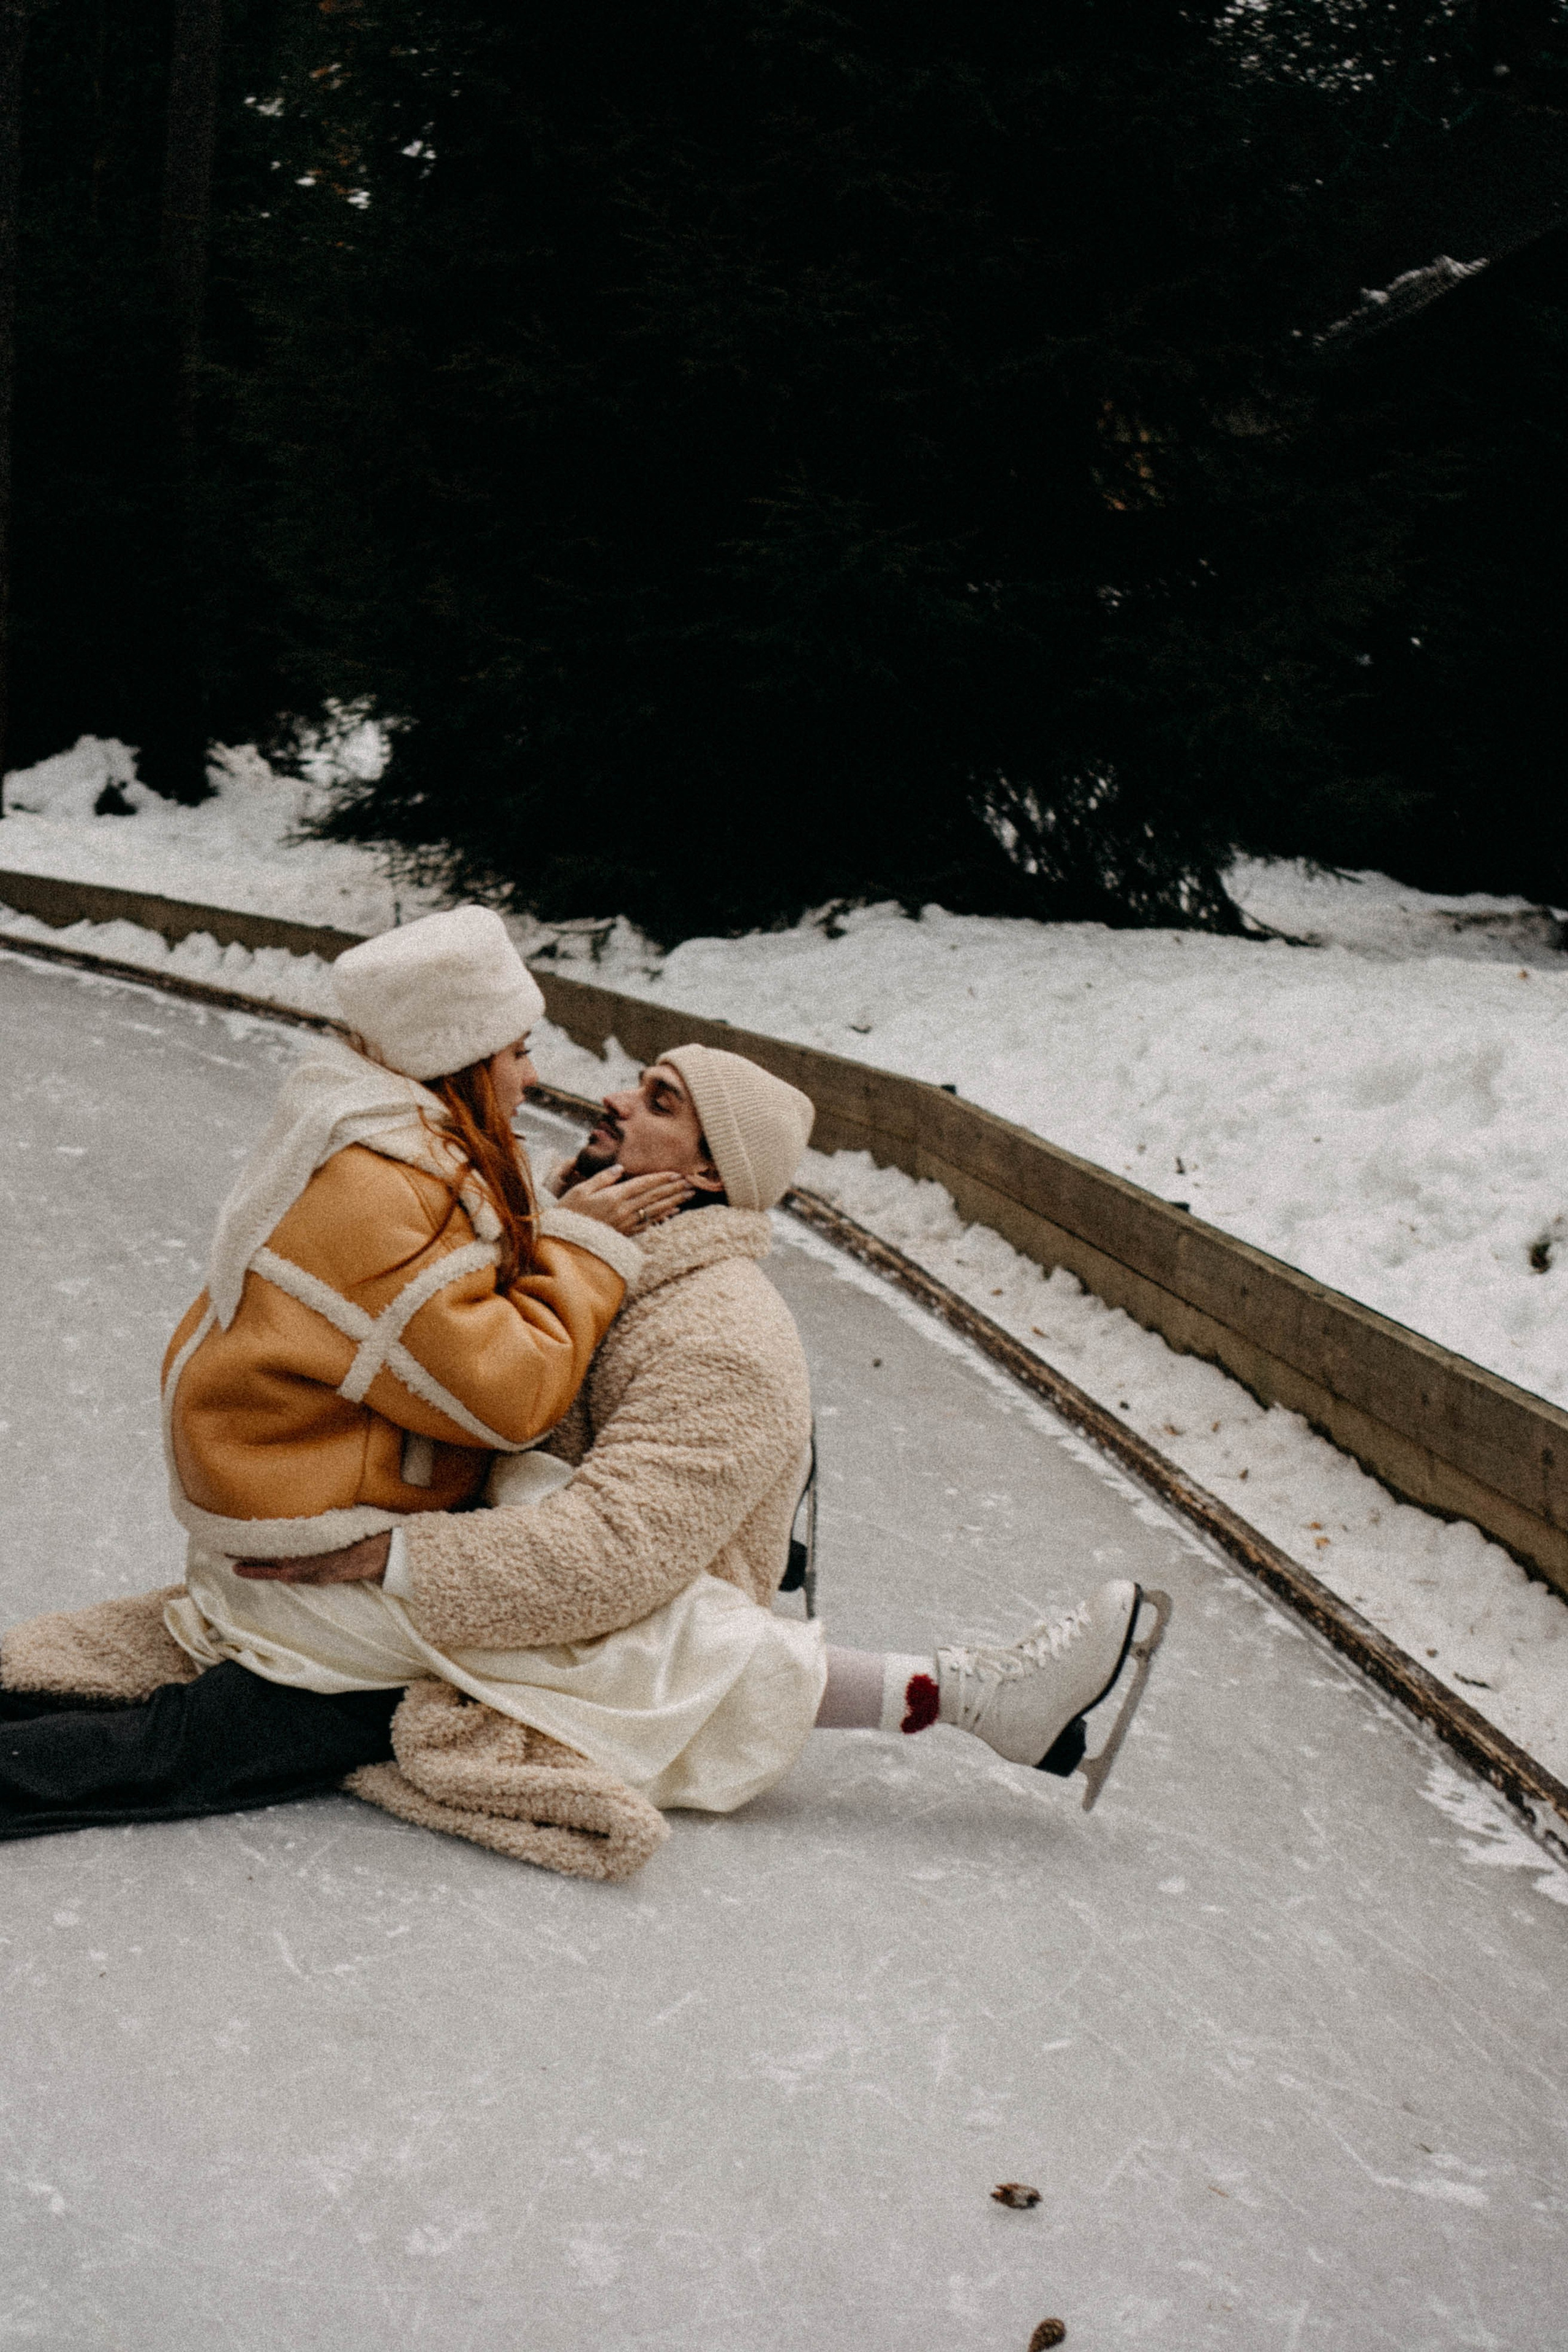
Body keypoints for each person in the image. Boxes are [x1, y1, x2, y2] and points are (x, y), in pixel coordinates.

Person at [1, 1043, 1166, 1869]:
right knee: (183, 1648)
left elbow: (609, 1557)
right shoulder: (571, 1236)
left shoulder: (725, 1337)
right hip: (486, 1570)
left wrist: (393, 1557)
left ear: (706, 1173)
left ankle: (979, 1696)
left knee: (216, 1729)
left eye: (657, 1099)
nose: (610, 1095)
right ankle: (975, 1695)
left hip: (572, 1615)